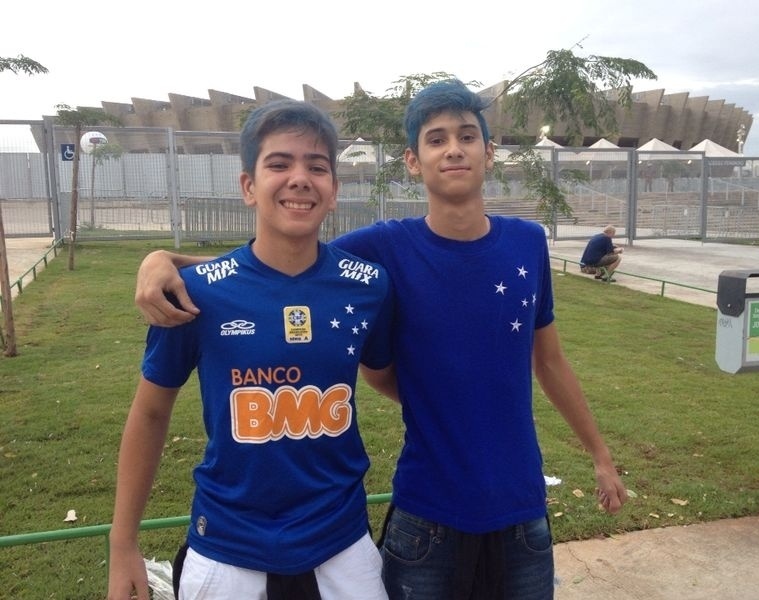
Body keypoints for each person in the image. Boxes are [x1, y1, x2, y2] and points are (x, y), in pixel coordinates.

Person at [134, 80, 628, 600]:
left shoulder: (527, 244)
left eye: (467, 136)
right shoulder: (386, 247)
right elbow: (275, 262)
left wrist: (599, 454)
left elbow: (550, 361)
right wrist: (166, 262)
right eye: (437, 139)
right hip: (425, 517)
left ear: (491, 152)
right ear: (413, 161)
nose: (454, 148)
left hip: (522, 510)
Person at [107, 100, 392, 600]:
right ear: (248, 187)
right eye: (279, 164)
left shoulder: (367, 286)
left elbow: (389, 375)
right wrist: (123, 542)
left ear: (334, 191)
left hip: (342, 544)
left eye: (317, 166)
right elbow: (150, 415)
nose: (300, 178)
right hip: (227, 549)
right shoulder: (193, 294)